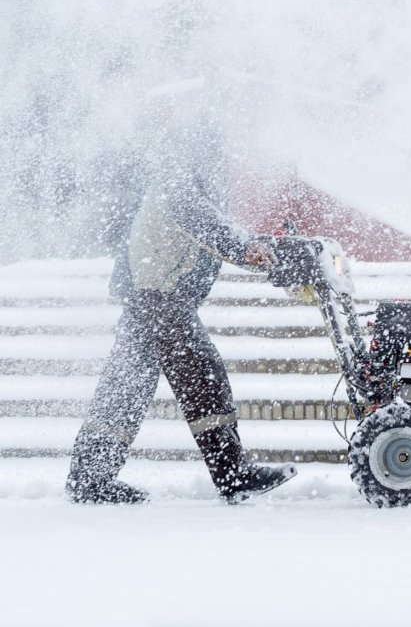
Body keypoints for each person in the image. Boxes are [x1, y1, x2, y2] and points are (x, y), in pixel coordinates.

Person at [66, 118, 296, 504]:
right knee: (204, 381)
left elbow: (212, 222)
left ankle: (89, 477)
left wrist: (257, 243)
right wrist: (246, 251)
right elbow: (204, 223)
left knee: (126, 389)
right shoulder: (177, 183)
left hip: (149, 299)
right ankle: (233, 475)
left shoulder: (177, 180)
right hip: (161, 300)